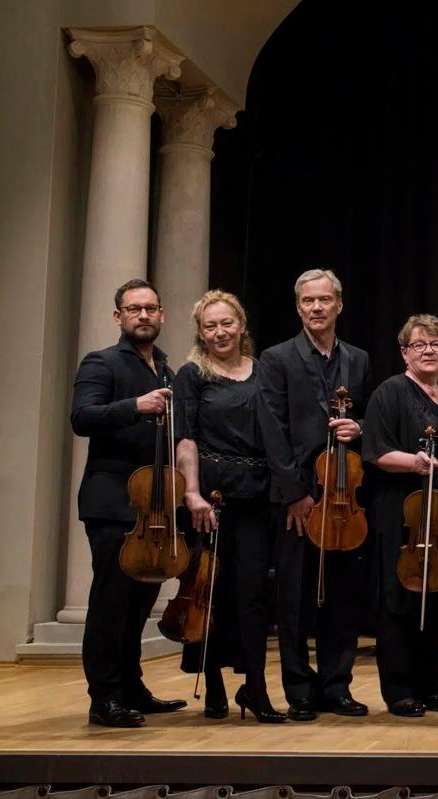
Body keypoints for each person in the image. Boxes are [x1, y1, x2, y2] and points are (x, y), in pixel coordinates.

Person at [256, 268, 372, 722]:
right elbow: (272, 429)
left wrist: (358, 427)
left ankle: (336, 686)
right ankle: (300, 688)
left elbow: (366, 419)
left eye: (325, 300)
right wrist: (295, 495)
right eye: (308, 301)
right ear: (298, 307)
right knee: (295, 597)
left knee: (342, 595)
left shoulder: (358, 359)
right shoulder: (276, 358)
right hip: (299, 497)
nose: (317, 308)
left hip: (343, 493)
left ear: (339, 305)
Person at [70, 278, 186, 727]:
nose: (143, 316)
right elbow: (82, 418)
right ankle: (105, 696)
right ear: (118, 317)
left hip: (154, 506)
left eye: (150, 308)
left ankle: (131, 685)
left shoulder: (167, 371)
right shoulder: (101, 363)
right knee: (112, 600)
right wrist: (135, 406)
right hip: (112, 500)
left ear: (162, 315)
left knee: (142, 598)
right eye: (133, 309)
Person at [173, 290, 286, 723]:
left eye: (226, 323)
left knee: (253, 594)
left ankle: (255, 688)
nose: (220, 332)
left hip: (257, 495)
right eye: (210, 326)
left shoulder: (264, 373)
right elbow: (186, 438)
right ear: (201, 333)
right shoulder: (192, 375)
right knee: (210, 592)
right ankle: (215, 683)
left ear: (241, 325)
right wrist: (192, 493)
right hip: (211, 498)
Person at [361, 314, 438, 718]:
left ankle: (429, 684)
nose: (429, 351)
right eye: (420, 345)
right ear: (404, 352)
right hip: (398, 512)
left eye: (436, 344)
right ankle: (398, 689)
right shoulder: (390, 392)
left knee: (436, 597)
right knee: (399, 600)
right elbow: (376, 451)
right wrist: (412, 462)